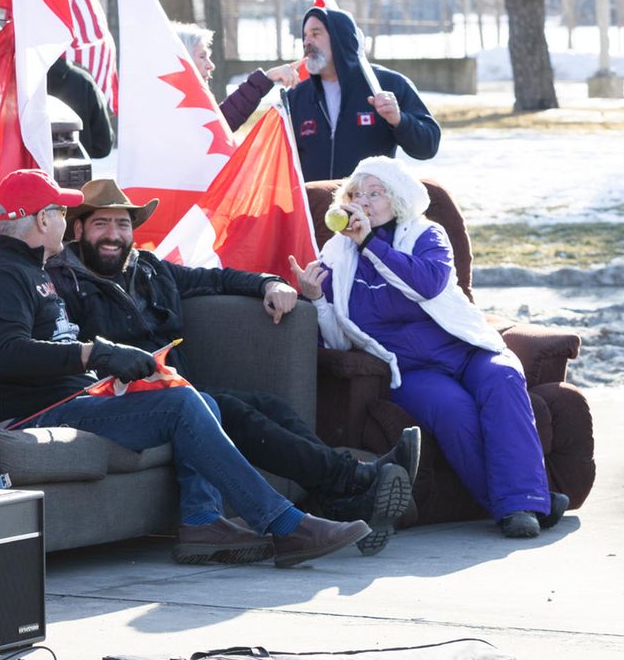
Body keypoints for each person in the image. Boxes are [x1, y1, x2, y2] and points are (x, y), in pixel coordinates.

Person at [0, 168, 372, 568]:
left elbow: (213, 278)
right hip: (40, 410)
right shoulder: (5, 274)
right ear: (41, 219)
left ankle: (202, 522)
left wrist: (267, 282)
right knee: (181, 405)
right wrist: (95, 353)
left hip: (74, 395)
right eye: (62, 212)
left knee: (200, 401)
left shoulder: (29, 267)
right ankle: (285, 525)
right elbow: (7, 353)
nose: (65, 222)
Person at [46, 179, 420, 556]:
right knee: (235, 413)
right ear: (78, 230)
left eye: (122, 224)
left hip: (180, 389)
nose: (113, 235)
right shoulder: (61, 281)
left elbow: (218, 278)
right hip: (130, 400)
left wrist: (270, 284)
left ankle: (341, 498)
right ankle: (354, 478)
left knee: (269, 406)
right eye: (101, 224)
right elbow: (70, 355)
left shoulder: (148, 268)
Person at [291, 157, 568, 539]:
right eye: (357, 194)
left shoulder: (427, 235)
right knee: (453, 410)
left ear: (398, 199)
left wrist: (372, 244)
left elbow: (429, 283)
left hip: (466, 348)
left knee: (504, 378)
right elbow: (339, 340)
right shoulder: (337, 255)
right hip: (411, 368)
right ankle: (523, 505)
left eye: (376, 192)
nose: (365, 201)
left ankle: (522, 501)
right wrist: (317, 298)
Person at [285, 7, 440, 181]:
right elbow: (279, 161)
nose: (307, 42)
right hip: (314, 206)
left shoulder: (387, 85)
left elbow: (428, 146)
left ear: (340, 38)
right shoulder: (297, 96)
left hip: (369, 205)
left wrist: (399, 120)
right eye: (305, 35)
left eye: (315, 33)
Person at [0, 18, 113, 159]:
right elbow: (102, 146)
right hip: (75, 183)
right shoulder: (82, 81)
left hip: (14, 182)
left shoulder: (13, 86)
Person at [173, 22, 300, 131]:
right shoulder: (171, 114)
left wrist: (268, 77)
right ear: (183, 58)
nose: (210, 65)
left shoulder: (188, 106)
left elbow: (222, 124)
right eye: (202, 57)